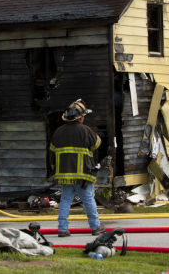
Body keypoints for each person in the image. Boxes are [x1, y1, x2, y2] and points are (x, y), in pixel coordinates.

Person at [50, 99, 105, 237]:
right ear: (80, 117)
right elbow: (97, 144)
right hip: (83, 174)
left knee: (65, 200)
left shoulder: (58, 132)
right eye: (83, 116)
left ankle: (62, 229)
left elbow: (52, 151)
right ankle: (96, 226)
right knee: (88, 199)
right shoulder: (85, 130)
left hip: (65, 175)